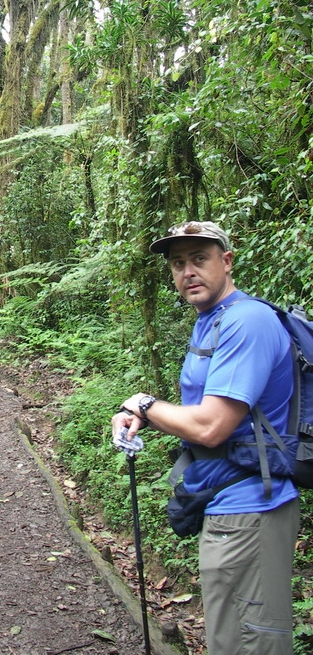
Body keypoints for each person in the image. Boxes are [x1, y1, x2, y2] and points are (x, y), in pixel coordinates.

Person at [111, 220, 300, 655]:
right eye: (178, 264)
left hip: (250, 509)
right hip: (227, 503)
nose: (188, 272)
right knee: (231, 637)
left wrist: (143, 404)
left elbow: (211, 427)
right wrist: (143, 413)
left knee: (248, 642)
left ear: (227, 261)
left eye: (199, 259)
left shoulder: (246, 322)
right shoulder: (211, 321)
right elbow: (207, 416)